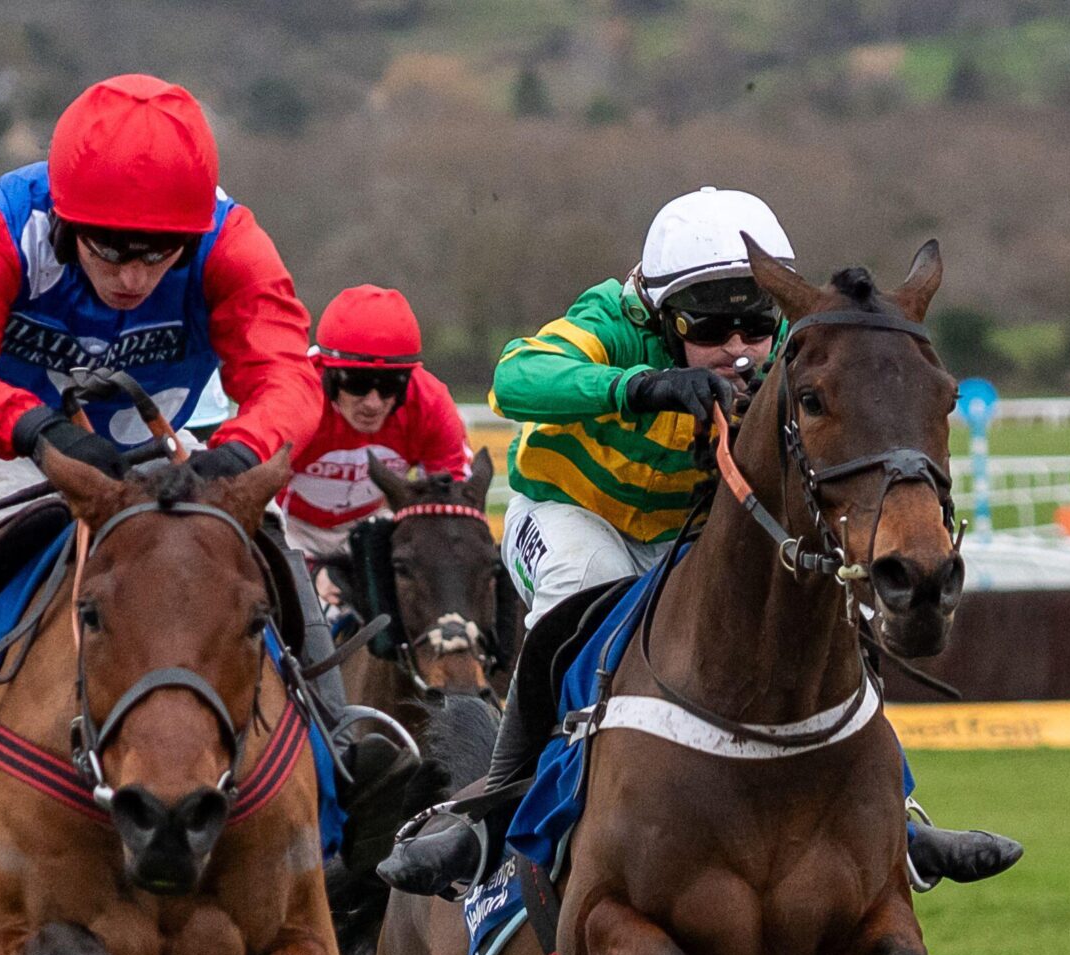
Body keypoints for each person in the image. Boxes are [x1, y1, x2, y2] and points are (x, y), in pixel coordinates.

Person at [0, 72, 401, 865]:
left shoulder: (228, 237)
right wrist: (31, 427)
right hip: (12, 445)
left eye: (159, 255)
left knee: (265, 532)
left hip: (166, 448)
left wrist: (242, 452)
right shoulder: (3, 223)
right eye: (110, 250)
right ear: (65, 222)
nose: (133, 277)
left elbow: (285, 373)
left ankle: (342, 736)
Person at [377, 187, 1020, 897]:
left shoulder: (790, 349)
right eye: (710, 327)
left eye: (756, 324)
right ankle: (489, 819)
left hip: (688, 528)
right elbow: (514, 377)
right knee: (584, 587)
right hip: (571, 512)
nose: (739, 348)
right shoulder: (611, 319)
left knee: (813, 620)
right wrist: (641, 386)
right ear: (660, 313)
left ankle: (900, 817)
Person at [275, 285, 472, 607]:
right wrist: (308, 570)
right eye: (357, 383)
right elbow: (254, 506)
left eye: (391, 385)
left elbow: (453, 504)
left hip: (370, 525)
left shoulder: (430, 401)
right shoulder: (294, 393)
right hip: (289, 526)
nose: (373, 403)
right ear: (329, 375)